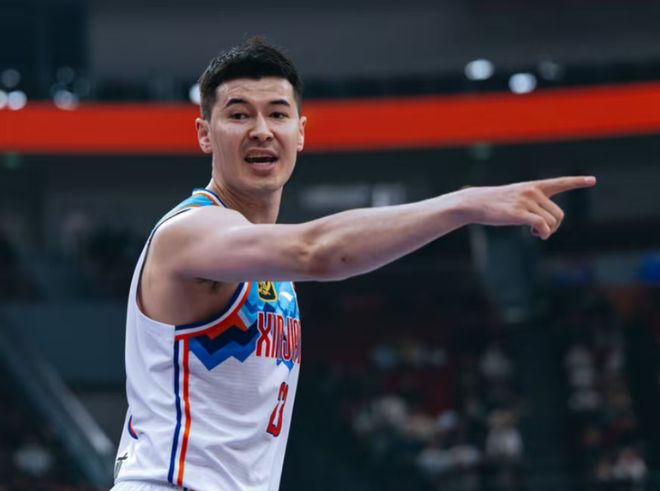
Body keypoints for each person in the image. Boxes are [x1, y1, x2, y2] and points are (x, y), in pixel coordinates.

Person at [111, 37, 596, 491]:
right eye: (239, 115)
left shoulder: (266, 259)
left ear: (300, 132)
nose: (261, 130)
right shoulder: (188, 233)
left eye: (277, 114)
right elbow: (317, 251)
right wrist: (464, 204)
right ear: (204, 134)